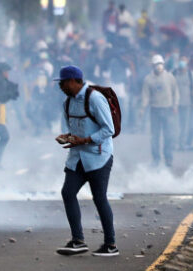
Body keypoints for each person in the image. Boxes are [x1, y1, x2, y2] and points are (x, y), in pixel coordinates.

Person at [54, 66, 118, 256]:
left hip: (98, 156)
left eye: (62, 83)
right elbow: (71, 130)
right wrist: (67, 137)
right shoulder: (68, 103)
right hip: (77, 157)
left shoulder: (95, 99)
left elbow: (109, 129)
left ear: (73, 81)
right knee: (67, 192)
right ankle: (78, 240)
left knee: (99, 198)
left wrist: (86, 140)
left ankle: (111, 244)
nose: (60, 86)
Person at [142, 54, 179, 167]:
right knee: (155, 136)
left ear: (163, 64)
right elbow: (145, 95)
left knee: (168, 135)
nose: (158, 66)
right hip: (155, 110)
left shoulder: (170, 77)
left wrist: (175, 105)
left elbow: (175, 92)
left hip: (168, 109)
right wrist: (142, 109)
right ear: (153, 66)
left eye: (160, 64)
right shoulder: (148, 79)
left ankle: (168, 158)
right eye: (156, 64)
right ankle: (156, 159)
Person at [173, 57, 193, 150]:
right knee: (175, 125)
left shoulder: (192, 75)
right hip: (175, 104)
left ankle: (182, 144)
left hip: (187, 103)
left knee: (184, 125)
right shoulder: (174, 73)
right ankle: (174, 143)